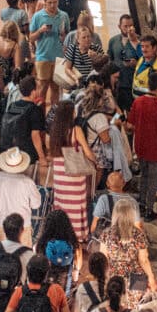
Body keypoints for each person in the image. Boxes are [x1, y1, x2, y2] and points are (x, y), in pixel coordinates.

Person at [49, 100, 99, 238]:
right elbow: (87, 151)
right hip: (74, 174)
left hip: (60, 174)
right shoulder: (76, 130)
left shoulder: (54, 130)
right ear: (71, 113)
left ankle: (61, 232)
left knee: (62, 204)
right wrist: (95, 160)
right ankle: (77, 234)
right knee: (76, 205)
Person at [0, 147, 44, 243]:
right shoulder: (28, 182)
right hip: (22, 227)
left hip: (0, 224)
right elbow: (36, 205)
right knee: (22, 256)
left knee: (1, 255)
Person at [128, 72, 157, 220]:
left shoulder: (138, 102)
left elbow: (129, 125)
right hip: (155, 147)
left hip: (140, 145)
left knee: (144, 176)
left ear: (147, 84)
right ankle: (148, 210)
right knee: (153, 179)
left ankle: (140, 204)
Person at [99, 198, 157, 302]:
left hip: (114, 278)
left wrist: (104, 280)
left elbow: (103, 259)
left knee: (116, 306)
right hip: (137, 278)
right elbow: (144, 260)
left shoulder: (106, 234)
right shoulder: (139, 234)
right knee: (135, 307)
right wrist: (151, 278)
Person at [30, 0, 70, 103]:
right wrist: (40, 31)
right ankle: (40, 118)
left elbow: (67, 35)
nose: (53, 5)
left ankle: (53, 117)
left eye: (55, 2)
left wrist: (63, 36)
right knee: (42, 89)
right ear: (45, 2)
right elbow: (31, 37)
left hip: (59, 58)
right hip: (43, 57)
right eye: (50, 3)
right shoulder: (38, 16)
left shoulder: (64, 16)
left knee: (56, 89)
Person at [35, 209, 82, 291]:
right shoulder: (74, 245)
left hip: (45, 291)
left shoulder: (40, 245)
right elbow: (76, 271)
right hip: (65, 290)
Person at [108, 15, 140, 111]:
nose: (128, 29)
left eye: (130, 26)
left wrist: (137, 63)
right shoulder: (113, 41)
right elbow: (110, 59)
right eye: (125, 26)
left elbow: (145, 61)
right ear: (119, 26)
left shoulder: (140, 41)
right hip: (119, 84)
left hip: (134, 83)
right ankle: (121, 123)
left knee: (134, 110)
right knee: (119, 110)